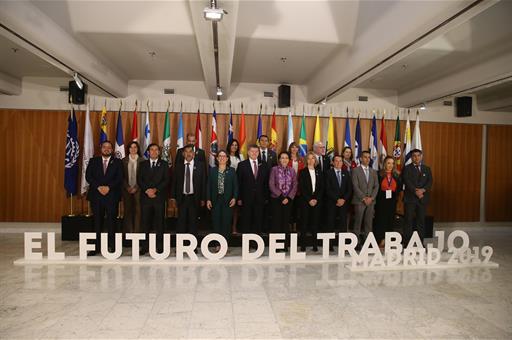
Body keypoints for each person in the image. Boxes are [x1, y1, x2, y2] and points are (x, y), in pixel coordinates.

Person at [85, 140, 123, 255]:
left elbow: (120, 178)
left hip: (111, 196)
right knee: (97, 222)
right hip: (96, 196)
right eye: (104, 147)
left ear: (112, 150)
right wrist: (98, 187)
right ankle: (95, 247)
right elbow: (88, 176)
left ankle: (111, 247)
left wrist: (108, 187)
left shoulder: (117, 162)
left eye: (109, 147)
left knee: (112, 222)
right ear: (101, 148)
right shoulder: (93, 161)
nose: (106, 149)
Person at [137, 144, 169, 254]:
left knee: (159, 223)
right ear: (148, 152)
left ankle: (160, 246)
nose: (154, 151)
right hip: (145, 198)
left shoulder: (164, 164)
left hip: (158, 198)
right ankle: (144, 247)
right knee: (145, 223)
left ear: (159, 152)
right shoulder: (143, 164)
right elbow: (139, 179)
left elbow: (166, 180)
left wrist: (155, 190)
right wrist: (147, 190)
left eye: (156, 150)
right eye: (151, 149)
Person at [170, 144, 206, 238]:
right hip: (182, 198)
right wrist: (173, 197)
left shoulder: (200, 166)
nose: (188, 154)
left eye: (191, 152)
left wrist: (203, 198)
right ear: (183, 154)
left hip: (194, 198)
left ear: (194, 154)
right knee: (180, 222)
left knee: (193, 222)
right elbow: (174, 182)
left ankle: (192, 246)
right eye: (186, 152)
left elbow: (203, 182)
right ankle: (180, 245)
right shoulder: (178, 166)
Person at [206, 150, 238, 251]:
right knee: (216, 223)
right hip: (215, 200)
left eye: (224, 156)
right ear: (217, 158)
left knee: (226, 223)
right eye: (220, 156)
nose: (222, 158)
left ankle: (224, 245)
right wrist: (208, 199)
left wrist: (234, 198)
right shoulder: (212, 170)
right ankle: (217, 245)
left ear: (227, 159)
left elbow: (236, 186)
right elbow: (208, 186)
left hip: (228, 200)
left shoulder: (232, 171)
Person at [236, 144, 269, 236]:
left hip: (260, 198)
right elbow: (238, 183)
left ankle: (256, 244)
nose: (254, 153)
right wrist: (239, 198)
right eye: (252, 151)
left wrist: (266, 197)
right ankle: (247, 244)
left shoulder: (264, 165)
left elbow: (266, 182)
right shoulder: (242, 165)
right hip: (246, 198)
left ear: (258, 153)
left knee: (258, 220)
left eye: (256, 151)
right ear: (248, 152)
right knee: (246, 220)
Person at [402, 149, 433, 245]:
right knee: (408, 221)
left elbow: (430, 182)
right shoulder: (407, 168)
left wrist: (423, 190)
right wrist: (416, 192)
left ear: (421, 156)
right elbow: (407, 182)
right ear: (411, 157)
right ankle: (407, 243)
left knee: (421, 222)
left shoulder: (427, 169)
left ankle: (420, 243)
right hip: (410, 199)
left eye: (418, 155)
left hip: (422, 199)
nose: (416, 157)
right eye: (414, 156)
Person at [269, 151, 298, 251]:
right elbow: (271, 184)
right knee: (276, 222)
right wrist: (281, 196)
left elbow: (295, 185)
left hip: (288, 201)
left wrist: (289, 198)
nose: (284, 159)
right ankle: (276, 246)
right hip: (276, 199)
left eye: (286, 158)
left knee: (286, 223)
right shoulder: (274, 170)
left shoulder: (292, 170)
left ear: (289, 159)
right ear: (279, 159)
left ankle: (285, 245)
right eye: (282, 157)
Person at [351, 150, 379, 246]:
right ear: (361, 158)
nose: (367, 159)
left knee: (369, 222)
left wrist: (371, 198)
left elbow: (376, 186)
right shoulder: (355, 170)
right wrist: (363, 198)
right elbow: (355, 185)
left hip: (371, 201)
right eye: (365, 157)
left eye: (368, 157)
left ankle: (368, 242)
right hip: (359, 201)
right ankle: (356, 242)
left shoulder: (373, 171)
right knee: (358, 222)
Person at [325, 154, 353, 250]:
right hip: (332, 203)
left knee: (343, 224)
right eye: (336, 161)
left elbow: (349, 189)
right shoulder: (328, 173)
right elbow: (327, 189)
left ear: (342, 162)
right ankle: (330, 245)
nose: (338, 163)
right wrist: (337, 199)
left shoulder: (346, 173)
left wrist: (343, 199)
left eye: (340, 161)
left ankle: (343, 245)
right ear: (332, 162)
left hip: (343, 203)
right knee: (330, 224)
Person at [298, 151, 324, 252]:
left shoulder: (319, 172)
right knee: (304, 222)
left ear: (315, 160)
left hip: (317, 201)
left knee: (315, 223)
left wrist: (316, 199)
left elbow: (322, 187)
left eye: (312, 158)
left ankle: (314, 245)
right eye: (308, 158)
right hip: (305, 201)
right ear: (306, 160)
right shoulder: (302, 172)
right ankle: (303, 245)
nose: (310, 160)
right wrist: (309, 199)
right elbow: (302, 187)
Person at [374, 156, 402, 248]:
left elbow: (399, 188)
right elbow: (375, 187)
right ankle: (380, 240)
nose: (390, 165)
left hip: (392, 201)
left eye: (392, 163)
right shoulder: (378, 174)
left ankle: (388, 241)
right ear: (385, 163)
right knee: (381, 221)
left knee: (390, 221)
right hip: (381, 201)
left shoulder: (397, 175)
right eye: (388, 163)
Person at [122, 141, 144, 242]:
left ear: (138, 149)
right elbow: (121, 177)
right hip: (126, 190)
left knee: (138, 211)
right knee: (127, 211)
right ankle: (128, 233)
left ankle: (137, 233)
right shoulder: (123, 161)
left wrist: (136, 187)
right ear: (128, 149)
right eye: (131, 147)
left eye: (135, 147)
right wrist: (127, 187)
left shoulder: (142, 161)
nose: (133, 149)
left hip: (139, 190)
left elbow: (144, 177)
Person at [227, 138, 243, 235]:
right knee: (227, 207)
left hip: (237, 183)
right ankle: (226, 226)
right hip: (227, 184)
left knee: (235, 208)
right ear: (229, 146)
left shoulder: (240, 156)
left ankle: (234, 227)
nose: (234, 147)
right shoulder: (225, 156)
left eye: (236, 145)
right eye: (232, 145)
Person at [287, 142, 305, 232]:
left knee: (296, 208)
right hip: (288, 188)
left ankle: (295, 226)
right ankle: (289, 225)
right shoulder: (286, 158)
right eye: (292, 147)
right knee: (289, 207)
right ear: (290, 148)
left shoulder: (301, 159)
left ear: (298, 149)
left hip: (298, 188)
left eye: (296, 147)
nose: (294, 149)